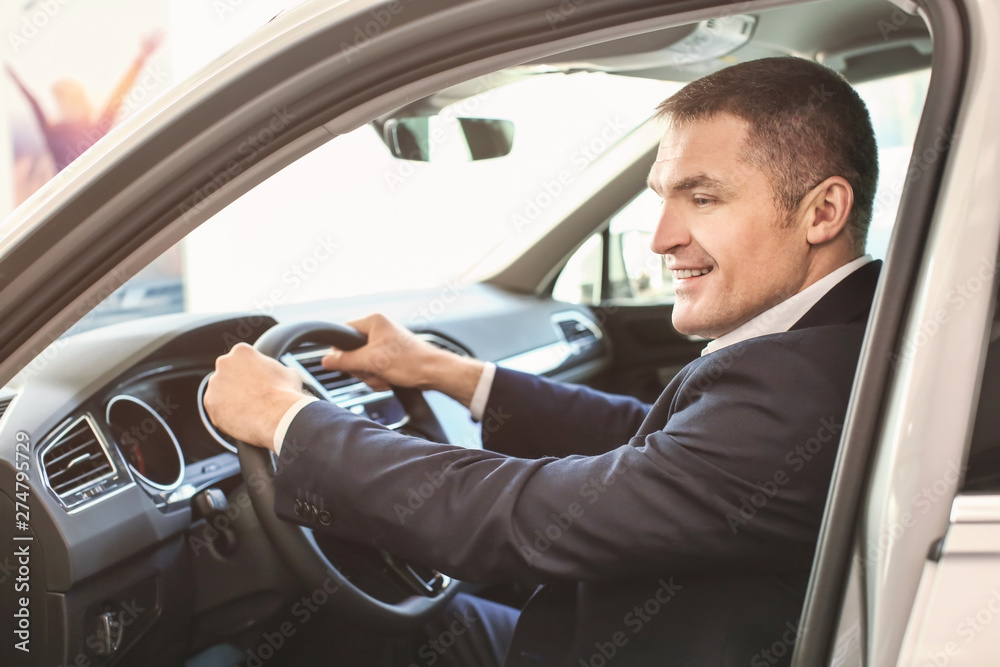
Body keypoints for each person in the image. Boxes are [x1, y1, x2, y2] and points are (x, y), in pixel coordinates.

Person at [204, 56, 880, 666]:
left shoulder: (799, 385)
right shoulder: (841, 337)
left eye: (702, 198)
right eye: (663, 198)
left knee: (332, 626)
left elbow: (526, 516)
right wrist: (447, 371)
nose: (661, 238)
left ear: (822, 211)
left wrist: (288, 420)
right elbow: (653, 448)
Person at [5, 31, 163, 173]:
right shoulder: (52, 132)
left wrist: (141, 58)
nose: (63, 105)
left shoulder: (94, 129)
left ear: (78, 102)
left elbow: (119, 94)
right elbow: (34, 103)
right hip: (66, 197)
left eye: (66, 99)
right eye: (60, 100)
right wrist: (11, 73)